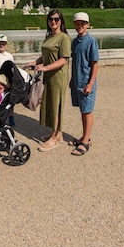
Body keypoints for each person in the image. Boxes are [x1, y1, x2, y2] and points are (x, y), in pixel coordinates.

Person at [26, 9, 71, 152]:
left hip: (58, 76)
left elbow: (64, 60)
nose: (53, 21)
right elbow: (44, 55)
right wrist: (35, 62)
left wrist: (45, 68)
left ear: (61, 21)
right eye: (51, 19)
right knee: (50, 104)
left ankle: (54, 137)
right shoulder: (49, 37)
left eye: (57, 19)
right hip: (48, 76)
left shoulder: (64, 38)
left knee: (56, 105)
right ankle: (57, 134)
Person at [68, 12, 99, 156]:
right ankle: (84, 137)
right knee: (83, 111)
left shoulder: (91, 41)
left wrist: (91, 83)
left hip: (86, 82)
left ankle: (85, 142)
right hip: (77, 82)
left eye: (82, 24)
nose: (79, 26)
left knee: (87, 111)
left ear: (87, 25)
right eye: (77, 23)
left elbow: (95, 64)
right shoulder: (75, 41)